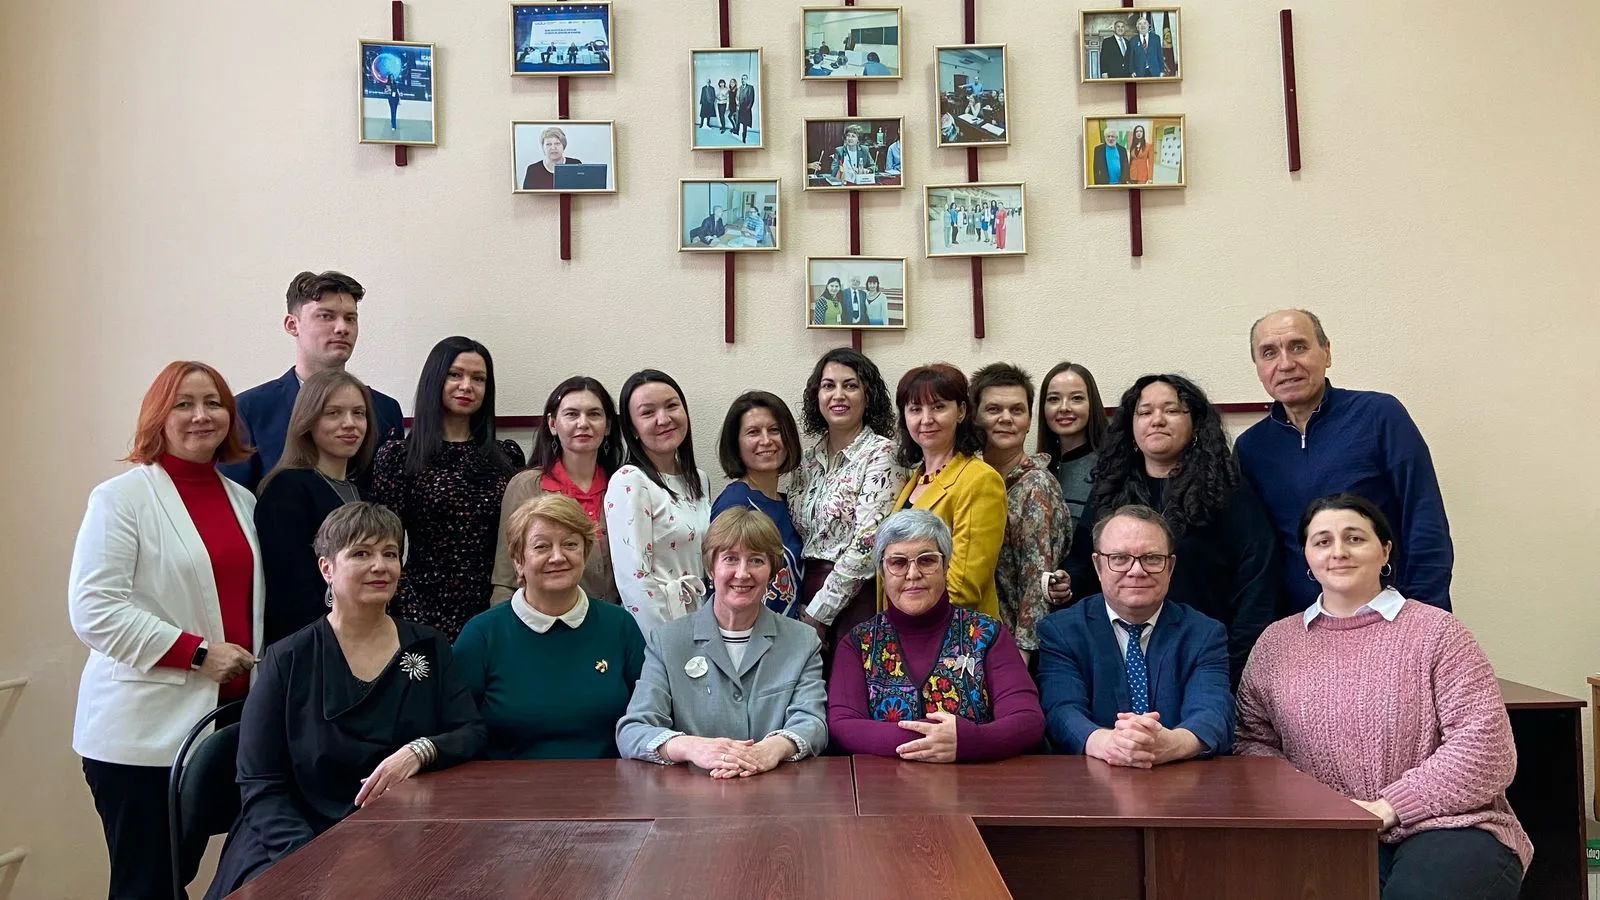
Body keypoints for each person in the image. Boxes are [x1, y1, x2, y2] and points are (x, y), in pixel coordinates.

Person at [1235, 495, 1529, 898]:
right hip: (1327, 830)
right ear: (1307, 557)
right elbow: (1252, 741)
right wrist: (1318, 807)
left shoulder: (1439, 633)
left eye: (1354, 538)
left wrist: (1388, 807)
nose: (1338, 551)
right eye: (1322, 541)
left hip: (1450, 826)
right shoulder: (1275, 643)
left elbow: (1486, 747)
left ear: (1385, 550)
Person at [204, 503, 485, 897]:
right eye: (361, 553)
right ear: (326, 569)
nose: (380, 566)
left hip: (401, 834)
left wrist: (420, 751)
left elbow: (470, 731)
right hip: (293, 836)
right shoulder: (287, 659)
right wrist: (310, 858)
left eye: (390, 553)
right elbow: (260, 783)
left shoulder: (429, 646)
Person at [71, 361, 262, 900]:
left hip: (221, 727)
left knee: (180, 878)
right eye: (184, 404)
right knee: (147, 887)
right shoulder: (120, 499)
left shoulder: (242, 500)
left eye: (213, 403)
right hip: (141, 736)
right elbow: (94, 609)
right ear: (158, 416)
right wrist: (198, 654)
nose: (202, 415)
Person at [1062, 374, 1279, 684]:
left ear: (1196, 424)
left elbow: (1258, 584)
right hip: (1119, 661)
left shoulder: (1227, 493)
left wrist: (1231, 666)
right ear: (1130, 425)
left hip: (1206, 662)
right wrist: (1065, 582)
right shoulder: (1110, 491)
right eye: (1145, 412)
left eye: (1172, 410)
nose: (1157, 420)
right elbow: (1084, 564)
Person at [1237, 309, 1453, 612]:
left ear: (1326, 352)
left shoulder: (1379, 415)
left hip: (1389, 612)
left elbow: (1423, 516)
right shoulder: (1251, 447)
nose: (1285, 364)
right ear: (1258, 367)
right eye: (1269, 353)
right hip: (1301, 622)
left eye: (1298, 346)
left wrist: (1423, 615)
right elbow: (1255, 552)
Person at [616, 509, 827, 773]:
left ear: (772, 571)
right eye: (730, 559)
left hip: (773, 788)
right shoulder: (667, 641)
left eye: (756, 561)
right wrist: (691, 747)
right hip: (692, 792)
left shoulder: (802, 641)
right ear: (710, 568)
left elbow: (813, 723)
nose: (742, 573)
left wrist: (772, 749)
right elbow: (633, 731)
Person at [829, 510, 1044, 761]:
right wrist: (934, 740)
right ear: (882, 573)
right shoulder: (859, 643)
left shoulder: (987, 635)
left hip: (976, 781)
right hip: (884, 783)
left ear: (946, 566)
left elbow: (1027, 720)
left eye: (927, 560)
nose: (913, 574)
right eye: (898, 563)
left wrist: (969, 742)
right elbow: (843, 726)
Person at [1036, 505, 1232, 766]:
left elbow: (1214, 712)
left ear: (1170, 567)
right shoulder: (1062, 631)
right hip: (1090, 779)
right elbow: (1061, 710)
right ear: (1098, 566)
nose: (1137, 571)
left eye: (1152, 558)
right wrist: (1110, 744)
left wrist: (1169, 744)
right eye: (1120, 558)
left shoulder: (1204, 634)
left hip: (1180, 777)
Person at [457, 495, 645, 760]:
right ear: (518, 561)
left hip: (606, 782)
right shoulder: (482, 634)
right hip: (508, 784)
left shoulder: (620, 625)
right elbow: (456, 730)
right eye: (541, 547)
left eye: (570, 544)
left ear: (585, 553)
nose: (557, 557)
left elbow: (648, 719)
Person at [370, 337, 524, 641]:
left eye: (478, 378)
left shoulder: (507, 456)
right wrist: (407, 610)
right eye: (455, 374)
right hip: (420, 604)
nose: (467, 386)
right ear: (435, 379)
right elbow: (385, 545)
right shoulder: (398, 457)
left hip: (495, 604)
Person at [221, 270, 404, 492]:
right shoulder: (249, 410)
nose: (342, 328)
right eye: (326, 316)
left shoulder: (385, 409)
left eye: (350, 318)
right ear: (292, 325)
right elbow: (236, 501)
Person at [788, 349, 906, 664]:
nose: (838, 395)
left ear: (868, 396)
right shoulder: (807, 460)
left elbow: (868, 543)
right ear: (817, 396)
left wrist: (819, 613)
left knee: (848, 687)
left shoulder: (883, 454)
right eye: (828, 385)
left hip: (856, 600)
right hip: (804, 596)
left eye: (850, 385)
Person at [254, 370, 377, 645]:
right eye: (333, 413)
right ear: (308, 421)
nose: (350, 424)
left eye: (358, 413)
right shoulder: (286, 490)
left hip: (367, 642)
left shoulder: (365, 496)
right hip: (314, 648)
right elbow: (289, 593)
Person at [490, 376, 622, 605]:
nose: (583, 423)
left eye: (594, 414)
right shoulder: (526, 486)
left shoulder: (622, 486)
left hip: (613, 620)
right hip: (541, 619)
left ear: (608, 426)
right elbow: (506, 578)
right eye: (572, 414)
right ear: (552, 424)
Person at [970, 364, 1071, 661]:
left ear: (1028, 421)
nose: (1006, 419)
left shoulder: (1036, 484)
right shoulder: (969, 478)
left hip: (1012, 648)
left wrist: (1021, 659)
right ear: (974, 416)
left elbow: (1037, 580)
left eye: (1017, 410)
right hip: (969, 639)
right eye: (993, 409)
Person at [889, 364, 1006, 618]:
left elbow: (963, 587)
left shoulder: (980, 480)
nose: (926, 419)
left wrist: (911, 626)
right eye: (915, 409)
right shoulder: (913, 480)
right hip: (904, 628)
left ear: (961, 411)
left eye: (938, 407)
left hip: (952, 631)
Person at [605, 370, 711, 634]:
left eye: (672, 406)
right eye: (648, 412)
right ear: (632, 428)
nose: (663, 419)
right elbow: (634, 582)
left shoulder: (698, 479)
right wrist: (668, 642)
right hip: (660, 629)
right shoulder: (630, 481)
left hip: (703, 619)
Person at [712, 392, 804, 616]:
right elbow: (726, 585)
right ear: (736, 444)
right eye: (753, 432)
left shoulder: (789, 503)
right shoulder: (734, 503)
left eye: (774, 430)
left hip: (788, 630)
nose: (766, 440)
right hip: (748, 630)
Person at [1036, 362, 1109, 524]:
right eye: (1054, 399)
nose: (1064, 408)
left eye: (1076, 398)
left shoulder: (1111, 469)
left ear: (1092, 404)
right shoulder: (1038, 470)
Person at [522, 126, 583, 191]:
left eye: (557, 143)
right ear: (543, 147)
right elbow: (527, 195)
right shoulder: (532, 170)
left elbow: (583, 191)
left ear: (563, 145)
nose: (553, 148)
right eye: (548, 144)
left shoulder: (575, 164)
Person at [735, 73, 756, 141]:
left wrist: (748, 108)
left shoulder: (750, 87)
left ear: (747, 80)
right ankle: (737, 133)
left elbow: (752, 99)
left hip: (746, 109)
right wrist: (737, 104)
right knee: (738, 122)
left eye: (744, 79)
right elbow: (737, 98)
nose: (743, 80)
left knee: (745, 124)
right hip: (740, 109)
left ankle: (744, 137)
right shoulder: (739, 88)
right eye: (742, 79)